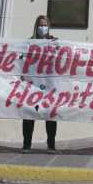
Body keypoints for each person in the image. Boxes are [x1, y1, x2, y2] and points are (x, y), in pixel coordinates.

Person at [23, 14, 58, 152]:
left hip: (49, 84)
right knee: (29, 114)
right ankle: (26, 144)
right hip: (32, 84)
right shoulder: (30, 43)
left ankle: (51, 145)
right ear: (36, 27)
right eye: (40, 25)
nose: (43, 27)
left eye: (45, 25)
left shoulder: (54, 42)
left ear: (48, 27)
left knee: (50, 115)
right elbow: (23, 60)